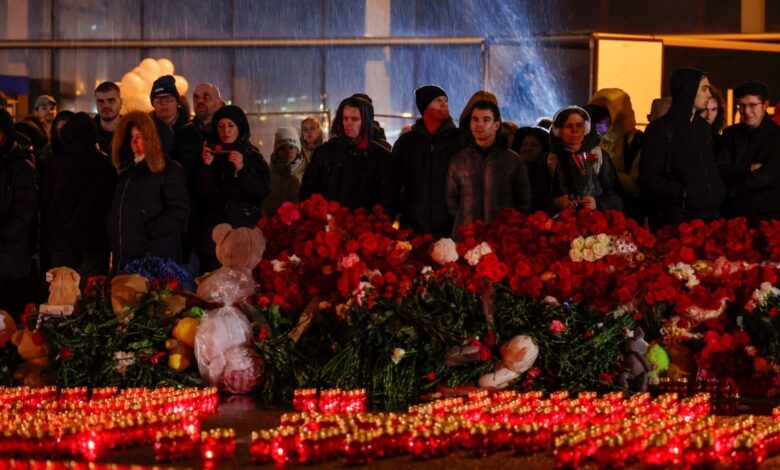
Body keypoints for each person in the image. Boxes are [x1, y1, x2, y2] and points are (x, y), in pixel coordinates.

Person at [639, 68, 725, 228]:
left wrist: (717, 192)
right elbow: (648, 177)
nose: (709, 95)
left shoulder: (704, 128)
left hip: (709, 219)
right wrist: (683, 193)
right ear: (689, 89)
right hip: (676, 221)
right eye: (704, 89)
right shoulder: (661, 129)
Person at [108, 111, 189, 272]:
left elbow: (179, 211)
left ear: (153, 139)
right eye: (132, 136)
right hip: (126, 254)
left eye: (140, 136)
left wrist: (148, 231)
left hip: (155, 256)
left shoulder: (169, 170)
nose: (134, 141)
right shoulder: (128, 171)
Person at [40, 113, 117, 282]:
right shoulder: (104, 165)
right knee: (91, 299)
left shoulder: (56, 164)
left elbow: (46, 203)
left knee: (63, 299)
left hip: (61, 244)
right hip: (94, 243)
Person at [193, 105, 269, 273]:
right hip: (215, 235)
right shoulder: (209, 155)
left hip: (244, 233)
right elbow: (200, 194)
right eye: (221, 126)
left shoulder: (252, 156)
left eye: (231, 125)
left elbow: (261, 192)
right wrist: (206, 167)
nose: (226, 131)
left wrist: (242, 169)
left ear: (239, 127)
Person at [446, 100, 531, 239]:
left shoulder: (513, 160)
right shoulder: (459, 160)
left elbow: (524, 201)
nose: (479, 124)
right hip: (467, 237)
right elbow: (451, 199)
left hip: (503, 237)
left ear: (496, 125)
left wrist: (512, 227)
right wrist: (464, 220)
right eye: (475, 119)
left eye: (486, 120)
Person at [300, 96, 396, 215]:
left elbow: (388, 202)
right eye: (345, 118)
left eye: (354, 119)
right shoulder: (324, 152)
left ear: (365, 121)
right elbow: (308, 192)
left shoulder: (381, 158)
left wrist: (372, 225)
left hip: (365, 228)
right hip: (328, 227)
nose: (348, 123)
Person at [393, 85, 466, 237]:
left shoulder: (460, 140)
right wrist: (404, 210)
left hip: (451, 228)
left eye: (446, 100)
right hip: (413, 229)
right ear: (425, 106)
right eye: (438, 100)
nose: (444, 103)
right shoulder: (406, 143)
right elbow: (394, 182)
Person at [532, 106, 622, 214]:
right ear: (558, 130)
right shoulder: (550, 159)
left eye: (579, 125)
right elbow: (536, 196)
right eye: (569, 126)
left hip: (594, 222)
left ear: (586, 128)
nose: (574, 130)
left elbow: (616, 196)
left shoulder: (599, 157)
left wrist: (596, 202)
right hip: (559, 222)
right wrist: (556, 202)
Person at [716, 80, 780, 222]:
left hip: (766, 217)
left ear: (765, 105)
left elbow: (765, 177)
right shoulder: (729, 134)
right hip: (730, 216)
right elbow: (720, 170)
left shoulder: (777, 136)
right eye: (741, 106)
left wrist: (731, 190)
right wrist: (747, 169)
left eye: (752, 105)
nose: (746, 111)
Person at [0, 109, 38, 315]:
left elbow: (26, 209)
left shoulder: (21, 166)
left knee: (10, 313)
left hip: (12, 256)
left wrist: (4, 233)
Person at [587, 88, 644, 221]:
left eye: (604, 116)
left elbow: (637, 185)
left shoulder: (636, 140)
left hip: (626, 212)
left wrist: (602, 174)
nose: (598, 122)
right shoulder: (589, 139)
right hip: (594, 210)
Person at [150, 75, 201, 174]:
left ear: (177, 101)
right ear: (152, 103)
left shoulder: (191, 130)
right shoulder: (145, 130)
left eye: (168, 98)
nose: (163, 103)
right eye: (158, 99)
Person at [264, 127, 308, 217]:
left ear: (298, 150)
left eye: (291, 147)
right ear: (277, 152)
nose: (288, 151)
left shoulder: (308, 173)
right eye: (282, 148)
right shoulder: (268, 174)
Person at [93, 81, 123, 156]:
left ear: (121, 102)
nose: (106, 105)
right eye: (100, 101)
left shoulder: (133, 131)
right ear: (96, 104)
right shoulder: (87, 134)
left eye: (111, 100)